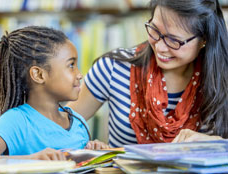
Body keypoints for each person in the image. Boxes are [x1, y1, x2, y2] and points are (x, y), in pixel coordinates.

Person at [68, 0, 228, 147]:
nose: (160, 47)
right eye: (155, 30)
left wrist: (219, 144)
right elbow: (56, 129)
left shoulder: (223, 77)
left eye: (174, 40)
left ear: (204, 39)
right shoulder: (113, 68)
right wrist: (87, 148)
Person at [0, 26, 108, 161]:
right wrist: (31, 159)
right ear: (39, 74)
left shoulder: (78, 122)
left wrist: (94, 151)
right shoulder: (17, 121)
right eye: (71, 65)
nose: (79, 75)